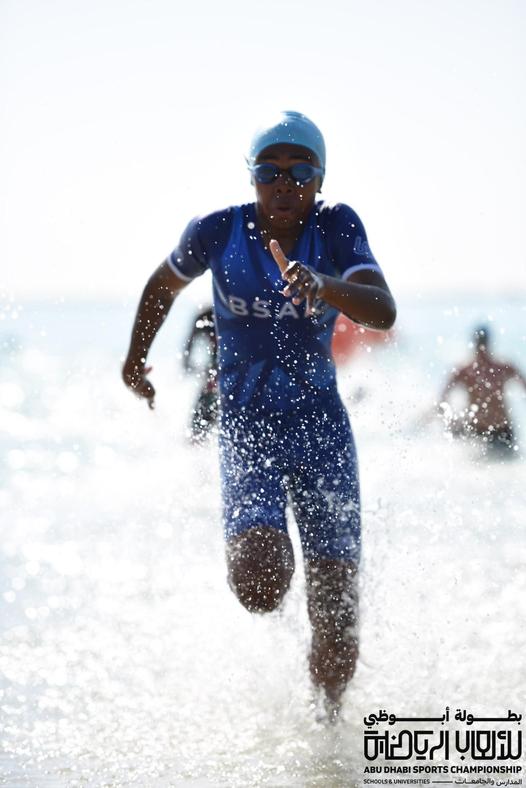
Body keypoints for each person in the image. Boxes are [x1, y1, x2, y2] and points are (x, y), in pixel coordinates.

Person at [122, 111, 396, 721]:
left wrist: (323, 285)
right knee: (260, 585)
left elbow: (382, 309)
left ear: (320, 178)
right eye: (269, 171)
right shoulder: (218, 231)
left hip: (322, 432)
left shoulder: (336, 227)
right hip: (249, 429)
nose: (284, 183)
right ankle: (277, 562)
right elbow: (163, 286)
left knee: (337, 618)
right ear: (251, 176)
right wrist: (135, 360)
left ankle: (327, 736)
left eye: (300, 171)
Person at [438, 325, 526, 452]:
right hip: (479, 431)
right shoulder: (466, 370)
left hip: (501, 431)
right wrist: (451, 422)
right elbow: (443, 399)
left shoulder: (500, 367)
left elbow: (443, 398)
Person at [182, 306, 218, 442]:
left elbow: (188, 346)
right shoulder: (205, 316)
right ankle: (196, 438)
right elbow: (189, 345)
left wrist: (188, 364)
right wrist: (188, 364)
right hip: (218, 372)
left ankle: (196, 438)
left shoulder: (206, 315)